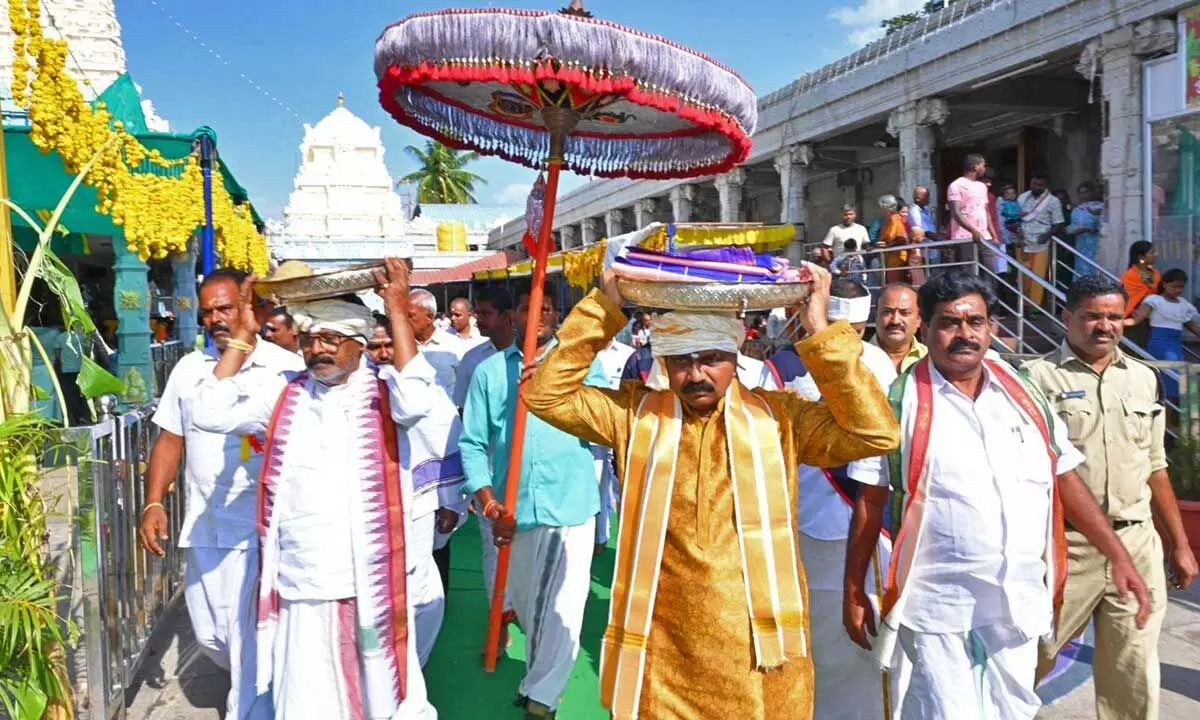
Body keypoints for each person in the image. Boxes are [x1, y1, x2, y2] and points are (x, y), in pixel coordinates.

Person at [521, 264, 899, 719]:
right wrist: (606, 308)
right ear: (663, 362)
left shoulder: (781, 419)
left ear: (734, 358)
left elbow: (876, 433)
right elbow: (545, 394)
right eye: (682, 360)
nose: (696, 374)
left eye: (710, 359)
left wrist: (819, 330)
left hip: (760, 653)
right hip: (662, 650)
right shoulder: (633, 416)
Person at [842, 271, 1151, 720]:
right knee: (949, 713)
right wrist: (854, 588)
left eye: (976, 322)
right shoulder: (897, 404)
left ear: (991, 328)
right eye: (950, 323)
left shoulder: (1022, 394)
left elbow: (1064, 476)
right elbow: (869, 501)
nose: (965, 334)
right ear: (924, 330)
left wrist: (1118, 555)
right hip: (940, 603)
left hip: (1017, 601)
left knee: (1013, 712)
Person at [189, 259, 455, 719]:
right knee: (304, 699)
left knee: (377, 697)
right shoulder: (283, 394)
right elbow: (208, 411)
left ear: (358, 344)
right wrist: (244, 335)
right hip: (300, 581)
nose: (318, 350)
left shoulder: (385, 392)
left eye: (331, 339)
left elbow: (419, 401)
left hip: (366, 583)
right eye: (310, 340)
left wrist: (395, 310)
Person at [1024, 274, 1198, 720]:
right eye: (1092, 317)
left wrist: (1179, 545)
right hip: (1068, 548)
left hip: (1136, 545)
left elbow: (1156, 467)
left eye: (1114, 317)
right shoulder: (1035, 379)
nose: (1104, 327)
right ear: (1067, 317)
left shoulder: (1142, 378)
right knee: (1027, 659)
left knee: (1132, 669)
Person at [139, 269, 305, 720]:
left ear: (249, 308)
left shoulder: (285, 367)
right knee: (213, 636)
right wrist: (154, 500)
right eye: (208, 310)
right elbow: (170, 438)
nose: (215, 318)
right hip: (206, 525)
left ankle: (251, 707)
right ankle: (257, 689)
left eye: (225, 308)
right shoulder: (190, 369)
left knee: (248, 636)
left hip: (261, 529)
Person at [459, 287, 601, 720]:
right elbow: (473, 443)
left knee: (564, 605)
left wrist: (551, 385)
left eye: (547, 307)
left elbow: (600, 422)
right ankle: (537, 678)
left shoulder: (581, 366)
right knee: (525, 601)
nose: (537, 314)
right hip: (513, 508)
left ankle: (544, 696)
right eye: (526, 307)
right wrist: (487, 501)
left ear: (558, 317)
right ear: (514, 316)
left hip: (571, 502)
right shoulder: (488, 372)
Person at [771, 278, 898, 720]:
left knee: (865, 646)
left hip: (865, 522)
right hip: (807, 523)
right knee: (817, 644)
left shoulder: (877, 365)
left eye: (854, 329)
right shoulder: (792, 367)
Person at [1128, 268, 1200, 400]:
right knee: (1168, 380)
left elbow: (1193, 326)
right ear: (1165, 284)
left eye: (1181, 287)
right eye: (1175, 286)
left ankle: (1171, 417)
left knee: (1177, 384)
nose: (1178, 290)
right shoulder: (1155, 300)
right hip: (1160, 345)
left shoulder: (1183, 304)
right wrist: (1118, 322)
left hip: (1176, 347)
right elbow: (1136, 319)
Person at [1017, 172, 1066, 309]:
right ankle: (1024, 306)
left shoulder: (1052, 201)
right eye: (1034, 184)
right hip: (1022, 243)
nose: (1036, 187)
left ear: (1046, 186)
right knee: (1023, 278)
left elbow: (1059, 223)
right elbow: (1015, 217)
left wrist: (1047, 235)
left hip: (1041, 244)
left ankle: (1035, 308)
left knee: (1037, 278)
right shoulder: (1022, 198)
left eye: (1040, 185)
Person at [409, 288, 461, 396]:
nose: (405, 320)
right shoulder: (401, 348)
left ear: (430, 317)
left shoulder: (454, 346)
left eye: (410, 316)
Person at [947, 154, 994, 268]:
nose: (984, 168)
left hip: (984, 237)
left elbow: (986, 212)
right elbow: (956, 213)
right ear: (975, 167)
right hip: (964, 237)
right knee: (968, 274)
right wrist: (973, 231)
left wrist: (993, 235)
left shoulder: (982, 187)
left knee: (990, 272)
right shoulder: (956, 185)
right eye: (983, 165)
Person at [872, 282, 927, 373]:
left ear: (919, 319)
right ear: (876, 317)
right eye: (887, 312)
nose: (895, 321)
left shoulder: (931, 360)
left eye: (905, 313)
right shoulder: (856, 358)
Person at [1121, 241, 1162, 348]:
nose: (1156, 254)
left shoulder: (1154, 272)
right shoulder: (1130, 275)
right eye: (1152, 252)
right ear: (1141, 256)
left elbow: (1154, 291)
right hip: (1132, 320)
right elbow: (1129, 297)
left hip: (1151, 320)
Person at [1067, 182, 1104, 280]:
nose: (1083, 195)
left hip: (1095, 244)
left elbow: (1105, 225)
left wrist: (1092, 229)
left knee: (1095, 269)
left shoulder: (1101, 207)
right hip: (1081, 245)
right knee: (1081, 271)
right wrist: (1072, 231)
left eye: (1086, 192)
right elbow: (1071, 227)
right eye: (1081, 193)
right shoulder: (1077, 209)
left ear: (1091, 192)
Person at [877, 194, 909, 285]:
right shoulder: (888, 219)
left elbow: (902, 240)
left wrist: (887, 246)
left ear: (886, 207)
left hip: (897, 258)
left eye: (882, 207)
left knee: (894, 285)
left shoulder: (895, 219)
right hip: (890, 258)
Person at [908, 185, 940, 266]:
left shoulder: (925, 210)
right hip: (922, 248)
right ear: (917, 198)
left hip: (930, 246)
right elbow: (919, 231)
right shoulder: (914, 211)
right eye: (926, 196)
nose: (928, 198)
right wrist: (937, 238)